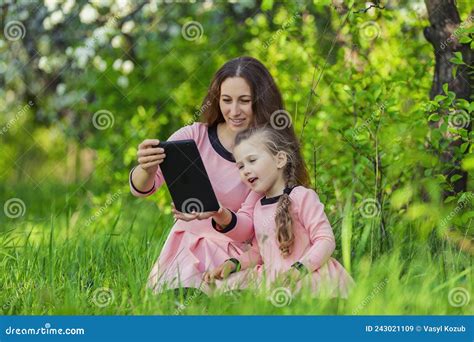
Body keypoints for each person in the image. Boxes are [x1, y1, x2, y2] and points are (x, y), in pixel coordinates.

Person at [129, 56, 309, 295]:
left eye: (244, 101)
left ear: (261, 101)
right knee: (181, 301)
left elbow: (248, 229)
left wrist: (217, 211)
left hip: (240, 253)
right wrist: (146, 168)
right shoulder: (194, 136)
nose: (233, 111)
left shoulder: (269, 151)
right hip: (188, 248)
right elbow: (141, 189)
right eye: (226, 100)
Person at [203, 126, 354, 298]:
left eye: (252, 160)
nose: (245, 170)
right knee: (224, 284)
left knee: (296, 293)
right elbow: (260, 252)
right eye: (240, 166)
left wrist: (299, 270)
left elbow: (325, 240)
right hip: (275, 276)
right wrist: (233, 263)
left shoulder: (302, 196)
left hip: (307, 273)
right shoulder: (258, 207)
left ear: (280, 160)